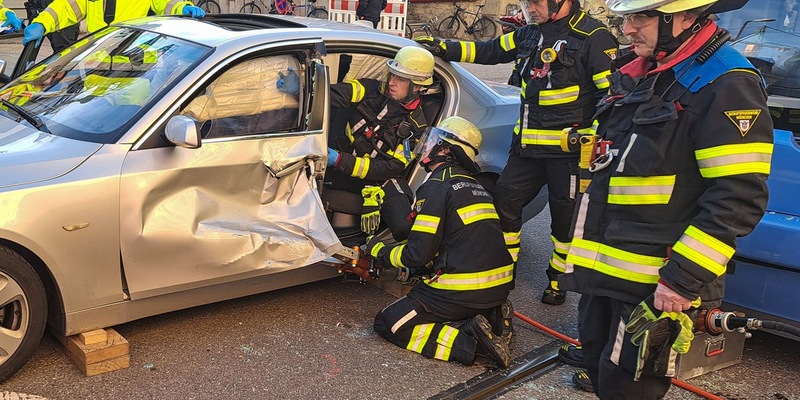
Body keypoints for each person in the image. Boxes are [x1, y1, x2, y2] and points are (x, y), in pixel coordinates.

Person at [557, 0, 773, 398]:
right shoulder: (647, 70)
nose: (628, 29)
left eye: (641, 17)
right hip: (606, 275)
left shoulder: (727, 83)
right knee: (601, 373)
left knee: (628, 389)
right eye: (627, 17)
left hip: (657, 285)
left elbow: (738, 199)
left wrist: (681, 281)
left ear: (685, 17)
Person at [415, 0, 618, 305]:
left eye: (535, 2)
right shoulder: (530, 33)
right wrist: (443, 47)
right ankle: (505, 268)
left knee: (565, 220)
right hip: (527, 151)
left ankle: (558, 280)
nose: (529, 9)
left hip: (568, 155)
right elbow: (488, 51)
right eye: (526, 2)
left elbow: (611, 98)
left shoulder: (593, 37)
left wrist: (593, 143)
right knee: (505, 202)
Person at [367, 116, 514, 368]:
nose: (425, 146)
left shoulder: (436, 186)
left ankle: (474, 344)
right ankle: (493, 316)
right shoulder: (476, 186)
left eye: (433, 141)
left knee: (389, 323)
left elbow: (417, 255)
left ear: (445, 149)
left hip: (461, 291)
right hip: (498, 288)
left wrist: (380, 251)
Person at [325, 46, 439, 242]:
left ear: (417, 86)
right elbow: (336, 94)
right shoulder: (370, 89)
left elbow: (391, 167)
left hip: (376, 178)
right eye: (392, 75)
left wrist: (341, 160)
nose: (391, 82)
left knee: (403, 226)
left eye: (400, 79)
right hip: (340, 166)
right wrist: (306, 89)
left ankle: (380, 254)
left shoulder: (418, 127)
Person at [22, 0, 205, 47]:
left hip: (136, 73)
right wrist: (42, 23)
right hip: (95, 72)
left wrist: (182, 8)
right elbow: (67, 7)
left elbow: (165, 3)